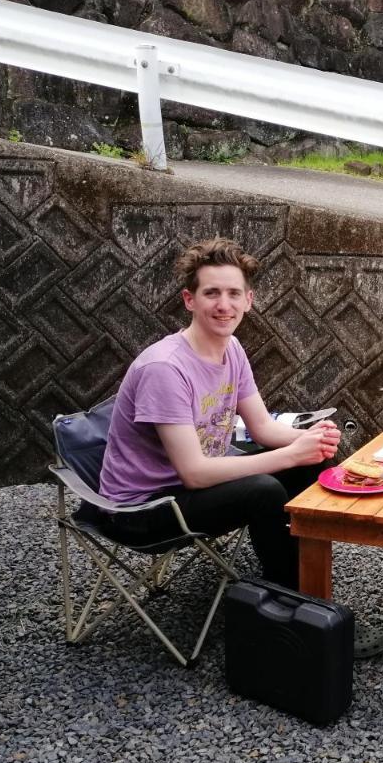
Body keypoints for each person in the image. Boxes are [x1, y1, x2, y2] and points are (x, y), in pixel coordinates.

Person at [97, 237, 340, 592]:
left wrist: (311, 440)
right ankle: (296, 604)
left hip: (188, 487)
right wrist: (289, 454)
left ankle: (309, 581)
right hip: (144, 509)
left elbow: (262, 428)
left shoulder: (233, 349)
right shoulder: (165, 368)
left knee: (314, 461)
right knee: (263, 491)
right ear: (189, 300)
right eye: (212, 293)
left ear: (249, 301)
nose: (224, 305)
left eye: (233, 294)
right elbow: (194, 473)